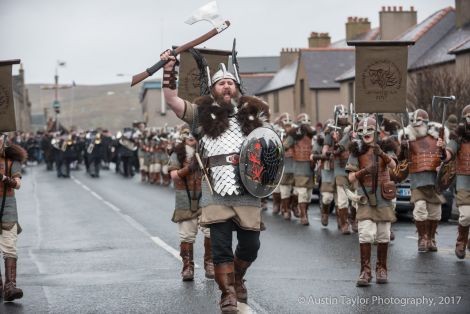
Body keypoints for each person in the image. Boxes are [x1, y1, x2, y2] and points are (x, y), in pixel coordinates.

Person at [160, 50, 270, 313]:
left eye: (230, 82)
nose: (226, 85)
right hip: (215, 191)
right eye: (221, 82)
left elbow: (270, 150)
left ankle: (238, 277)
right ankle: (228, 294)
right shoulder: (201, 115)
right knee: (220, 247)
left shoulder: (255, 118)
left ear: (237, 87)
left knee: (251, 246)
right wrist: (169, 69)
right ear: (213, 89)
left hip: (248, 189)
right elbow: (173, 100)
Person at [346, 116, 397, 286]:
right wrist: (365, 170)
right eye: (362, 131)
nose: (365, 133)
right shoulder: (357, 150)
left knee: (383, 235)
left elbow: (394, 167)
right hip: (365, 197)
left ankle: (381, 269)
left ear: (376, 131)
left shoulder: (386, 146)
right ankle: (365, 272)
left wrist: (381, 154)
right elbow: (351, 178)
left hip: (383, 197)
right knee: (366, 233)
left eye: (369, 130)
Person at [168, 126, 214, 280]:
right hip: (185, 198)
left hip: (205, 198)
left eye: (193, 134)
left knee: (210, 232)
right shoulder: (177, 153)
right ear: (183, 137)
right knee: (186, 236)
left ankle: (210, 264)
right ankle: (188, 268)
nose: (191, 137)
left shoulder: (207, 151)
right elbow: (174, 175)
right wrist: (189, 167)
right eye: (187, 134)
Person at [400, 109, 446, 252]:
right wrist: (403, 147)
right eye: (414, 121)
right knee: (419, 209)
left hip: (434, 181)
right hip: (417, 181)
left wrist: (443, 148)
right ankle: (422, 238)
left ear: (426, 123)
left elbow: (445, 159)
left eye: (419, 121)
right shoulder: (408, 138)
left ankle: (431, 238)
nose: (416, 124)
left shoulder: (437, 137)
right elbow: (402, 159)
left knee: (435, 213)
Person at [0, 133, 26, 301]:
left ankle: (10, 287)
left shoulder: (12, 161)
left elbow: (18, 184)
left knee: (9, 246)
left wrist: (3, 178)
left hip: (7, 206)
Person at [443, 105, 470, 259]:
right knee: (466, 215)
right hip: (464, 180)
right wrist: (444, 151)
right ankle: (461, 241)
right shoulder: (458, 136)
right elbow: (449, 152)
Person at [284, 113, 315, 225]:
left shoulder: (314, 135)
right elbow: (285, 146)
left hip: (311, 168)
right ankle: (303, 216)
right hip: (299, 167)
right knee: (302, 192)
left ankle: (301, 209)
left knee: (309, 194)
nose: (306, 125)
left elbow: (319, 148)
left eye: (308, 123)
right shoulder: (294, 135)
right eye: (304, 123)